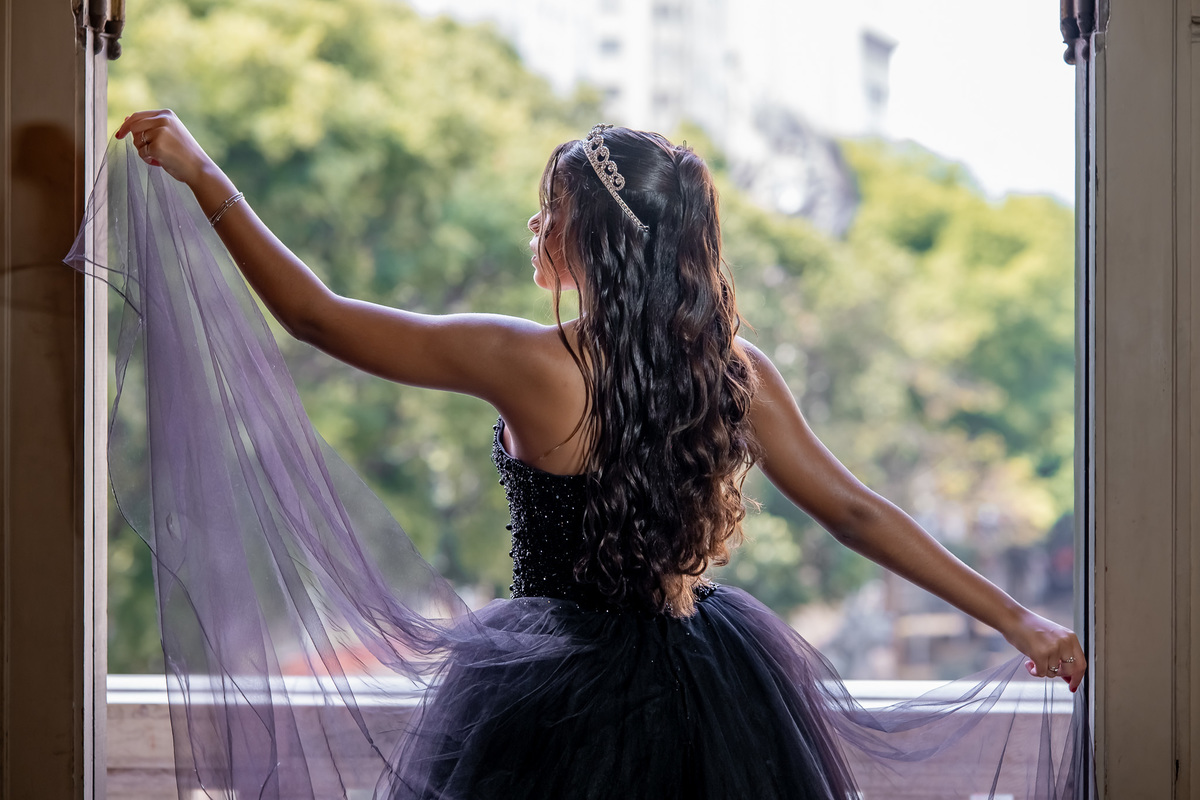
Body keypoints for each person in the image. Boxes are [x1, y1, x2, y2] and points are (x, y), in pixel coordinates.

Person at [98, 110, 1087, 798]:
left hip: (552, 699)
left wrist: (205, 175)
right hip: (710, 686)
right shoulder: (733, 368)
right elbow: (856, 510)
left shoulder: (526, 359)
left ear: (592, 235)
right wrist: (1020, 621)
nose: (535, 225)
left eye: (549, 208)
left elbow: (317, 317)